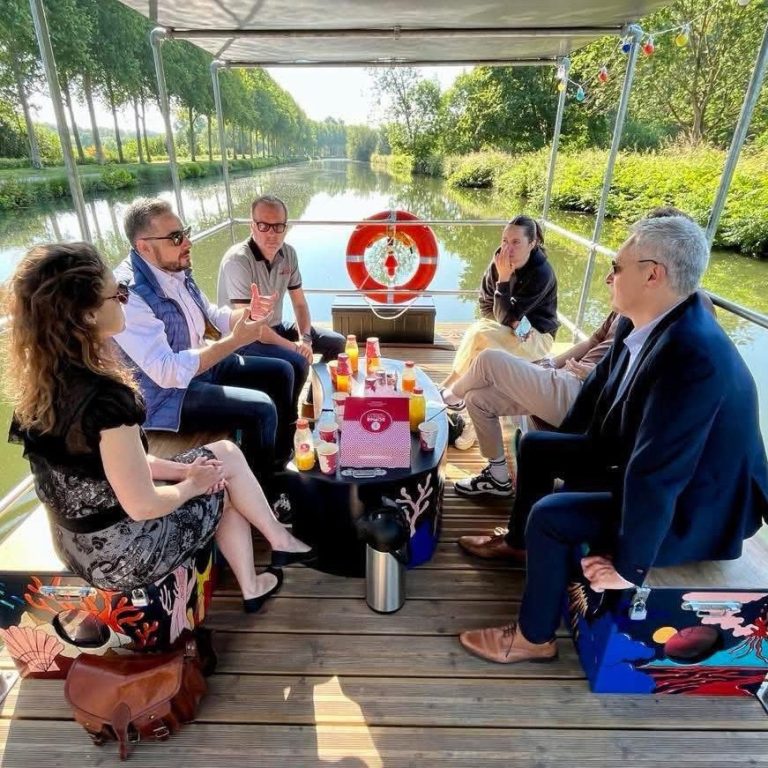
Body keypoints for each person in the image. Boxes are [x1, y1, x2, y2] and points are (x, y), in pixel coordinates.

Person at [457, 215, 768, 664]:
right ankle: (520, 545)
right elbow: (591, 402)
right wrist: (568, 449)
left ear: (653, 274)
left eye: (617, 267)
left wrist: (629, 566)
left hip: (695, 509)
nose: (608, 276)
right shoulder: (637, 322)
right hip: (641, 463)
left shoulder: (693, 355)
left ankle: (533, 636)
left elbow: (661, 472)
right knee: (536, 447)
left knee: (552, 516)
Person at [4, 243, 315, 613]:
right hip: (122, 554)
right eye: (117, 295)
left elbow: (115, 466)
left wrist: (186, 469)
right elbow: (143, 505)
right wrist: (192, 484)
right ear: (86, 316)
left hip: (74, 541)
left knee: (222, 459)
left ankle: (273, 548)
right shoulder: (105, 400)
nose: (124, 300)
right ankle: (258, 573)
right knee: (221, 481)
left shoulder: (39, 388)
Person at [113, 197, 297, 471]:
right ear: (144, 247)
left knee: (283, 371)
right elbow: (167, 372)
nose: (188, 242)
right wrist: (234, 341)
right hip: (168, 394)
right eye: (176, 238)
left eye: (184, 232)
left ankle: (280, 458)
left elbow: (210, 314)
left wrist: (249, 314)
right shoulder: (129, 295)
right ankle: (265, 484)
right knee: (261, 409)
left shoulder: (175, 268)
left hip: (202, 365)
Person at [442, 311, 619, 497]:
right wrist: (550, 363)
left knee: (489, 359)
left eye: (616, 278)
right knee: (477, 399)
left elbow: (512, 317)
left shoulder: (646, 325)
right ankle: (498, 477)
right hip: (564, 377)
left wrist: (598, 376)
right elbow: (591, 342)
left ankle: (447, 399)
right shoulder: (620, 314)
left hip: (582, 392)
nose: (608, 280)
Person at [217, 194, 346, 391]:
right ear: (252, 226)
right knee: (298, 361)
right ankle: (290, 420)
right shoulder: (238, 261)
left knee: (336, 343)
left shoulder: (288, 254)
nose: (272, 234)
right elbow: (253, 328)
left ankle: (316, 402)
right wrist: (295, 348)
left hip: (274, 326)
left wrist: (306, 339)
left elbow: (300, 304)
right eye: (264, 226)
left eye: (278, 226)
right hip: (243, 338)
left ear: (285, 228)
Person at [441, 215, 558, 391]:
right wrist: (509, 320)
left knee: (480, 334)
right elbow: (486, 307)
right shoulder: (498, 261)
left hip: (536, 335)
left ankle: (451, 388)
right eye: (505, 241)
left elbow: (508, 318)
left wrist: (503, 280)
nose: (507, 248)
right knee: (481, 334)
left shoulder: (541, 273)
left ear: (532, 243)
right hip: (512, 327)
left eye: (516, 242)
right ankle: (459, 390)